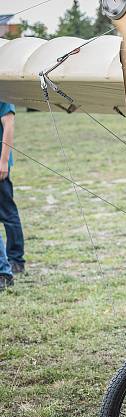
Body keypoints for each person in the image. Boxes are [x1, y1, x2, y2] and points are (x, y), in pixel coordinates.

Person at [0, 100, 23, 290]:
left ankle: (16, 260)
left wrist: (3, 161)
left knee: (8, 214)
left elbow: (8, 124)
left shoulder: (4, 90)